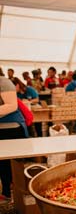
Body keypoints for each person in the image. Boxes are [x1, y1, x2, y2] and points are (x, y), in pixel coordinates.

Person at [0, 76, 29, 204]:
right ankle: (7, 192)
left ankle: (17, 194)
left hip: (12, 127)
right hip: (2, 128)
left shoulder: (4, 82)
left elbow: (11, 105)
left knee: (13, 163)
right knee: (2, 163)